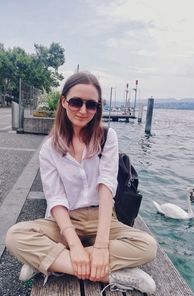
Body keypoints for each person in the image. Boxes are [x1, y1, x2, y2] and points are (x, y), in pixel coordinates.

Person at [5, 72, 157, 294]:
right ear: (64, 101)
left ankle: (53, 262)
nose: (83, 110)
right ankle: (109, 274)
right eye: (76, 102)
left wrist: (102, 246)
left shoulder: (107, 137)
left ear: (98, 107)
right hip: (66, 220)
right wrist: (75, 245)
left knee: (148, 246)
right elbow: (56, 199)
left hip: (102, 218)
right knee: (15, 236)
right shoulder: (49, 148)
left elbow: (106, 188)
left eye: (91, 105)